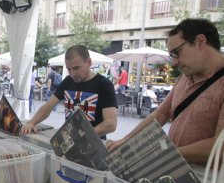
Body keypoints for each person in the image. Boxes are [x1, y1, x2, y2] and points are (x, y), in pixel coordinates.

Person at [107, 18, 224, 168]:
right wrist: (127, 140)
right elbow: (160, 114)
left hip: (208, 181)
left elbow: (219, 146)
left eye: (177, 52)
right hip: (176, 168)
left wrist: (163, 153)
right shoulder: (184, 77)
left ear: (200, 41)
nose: (174, 62)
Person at [20, 45, 117, 139]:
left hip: (94, 142)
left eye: (76, 68)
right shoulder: (68, 81)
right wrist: (31, 123)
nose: (72, 73)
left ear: (89, 62)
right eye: (68, 69)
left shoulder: (104, 84)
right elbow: (48, 106)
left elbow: (111, 124)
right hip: (70, 140)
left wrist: (82, 135)